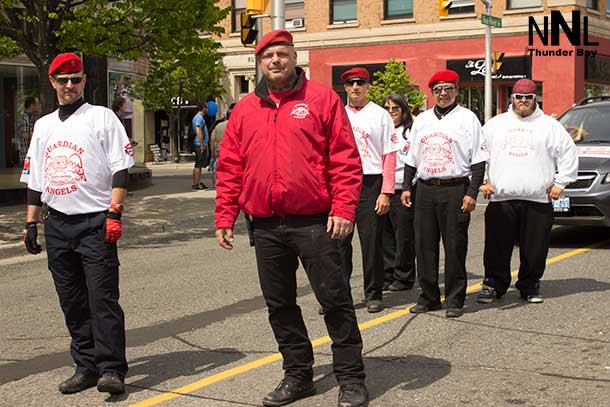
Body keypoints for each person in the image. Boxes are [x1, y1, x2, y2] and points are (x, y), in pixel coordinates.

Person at [215, 30, 368, 407]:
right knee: (279, 304)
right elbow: (231, 166)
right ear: (260, 62)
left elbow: (345, 158)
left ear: (295, 56)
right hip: (266, 225)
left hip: (315, 222)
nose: (276, 61)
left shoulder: (322, 99)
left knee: (334, 300)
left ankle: (351, 378)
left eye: (282, 54)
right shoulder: (245, 110)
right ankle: (298, 375)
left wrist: (344, 208)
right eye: (268, 56)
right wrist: (225, 214)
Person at [20, 53, 133, 395]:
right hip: (57, 225)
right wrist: (30, 224)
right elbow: (35, 180)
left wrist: (115, 212)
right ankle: (86, 365)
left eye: (76, 79)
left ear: (85, 81)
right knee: (72, 301)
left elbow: (120, 167)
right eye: (63, 80)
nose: (70, 85)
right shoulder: (44, 126)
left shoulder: (101, 118)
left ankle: (111, 368)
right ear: (53, 83)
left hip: (95, 223)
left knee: (102, 299)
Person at [477, 78, 578, 304]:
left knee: (535, 249)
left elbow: (568, 153)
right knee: (496, 248)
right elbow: (478, 153)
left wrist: (561, 182)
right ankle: (493, 284)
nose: (523, 101)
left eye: (528, 97)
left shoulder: (550, 126)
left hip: (538, 198)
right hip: (501, 198)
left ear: (535, 99)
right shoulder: (495, 124)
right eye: (519, 97)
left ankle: (529, 285)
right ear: (512, 98)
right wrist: (483, 180)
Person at [400, 69, 487, 318]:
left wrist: (472, 192)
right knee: (424, 246)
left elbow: (479, 160)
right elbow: (411, 157)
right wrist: (407, 186)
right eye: (438, 89)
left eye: (448, 88)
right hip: (426, 189)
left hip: (455, 188)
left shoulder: (468, 118)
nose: (443, 93)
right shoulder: (422, 120)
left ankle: (455, 299)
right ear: (432, 93)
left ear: (456, 91)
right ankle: (428, 297)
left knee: (455, 245)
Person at [338, 67, 400, 313]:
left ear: (367, 86)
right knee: (339, 243)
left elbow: (390, 154)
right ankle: (340, 296)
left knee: (371, 242)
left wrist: (386, 191)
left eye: (360, 83)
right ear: (345, 87)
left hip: (370, 182)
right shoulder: (337, 114)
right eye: (351, 83)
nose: (356, 88)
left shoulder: (381, 115)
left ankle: (373, 293)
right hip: (342, 182)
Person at [381, 93, 416, 292]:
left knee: (403, 235)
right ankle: (388, 274)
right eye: (387, 108)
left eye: (395, 108)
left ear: (403, 110)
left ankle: (404, 276)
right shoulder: (381, 130)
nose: (391, 112)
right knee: (384, 236)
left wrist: (409, 187)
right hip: (383, 190)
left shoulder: (410, 132)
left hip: (404, 189)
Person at [15, 96, 40, 166]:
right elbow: (25, 135)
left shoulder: (32, 117)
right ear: (32, 105)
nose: (39, 105)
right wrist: (39, 135)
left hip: (33, 155)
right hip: (26, 154)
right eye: (37, 104)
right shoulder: (25, 119)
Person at [191, 101, 209, 190]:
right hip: (199, 144)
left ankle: (197, 182)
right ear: (203, 108)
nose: (208, 109)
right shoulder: (199, 118)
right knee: (198, 164)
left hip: (199, 143)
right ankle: (196, 184)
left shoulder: (199, 117)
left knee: (199, 164)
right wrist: (202, 144)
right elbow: (198, 131)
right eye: (207, 107)